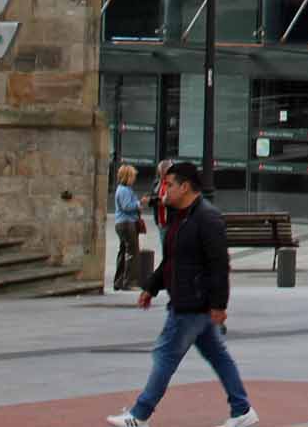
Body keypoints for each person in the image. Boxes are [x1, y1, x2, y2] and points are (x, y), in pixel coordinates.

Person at [106, 159, 256, 427]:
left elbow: (219, 264)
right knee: (218, 356)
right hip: (189, 300)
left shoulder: (207, 218)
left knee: (165, 355)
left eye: (170, 185)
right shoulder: (180, 217)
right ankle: (242, 409)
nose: (165, 190)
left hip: (193, 303)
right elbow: (172, 259)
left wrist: (219, 305)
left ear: (185, 187)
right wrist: (151, 287)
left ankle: (140, 415)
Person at [112, 163, 145, 292]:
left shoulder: (122, 189)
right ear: (127, 177)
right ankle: (129, 282)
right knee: (132, 252)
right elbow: (126, 206)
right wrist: (138, 203)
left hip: (122, 223)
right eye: (132, 176)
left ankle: (119, 281)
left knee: (123, 251)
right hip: (127, 223)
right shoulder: (124, 190)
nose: (134, 179)